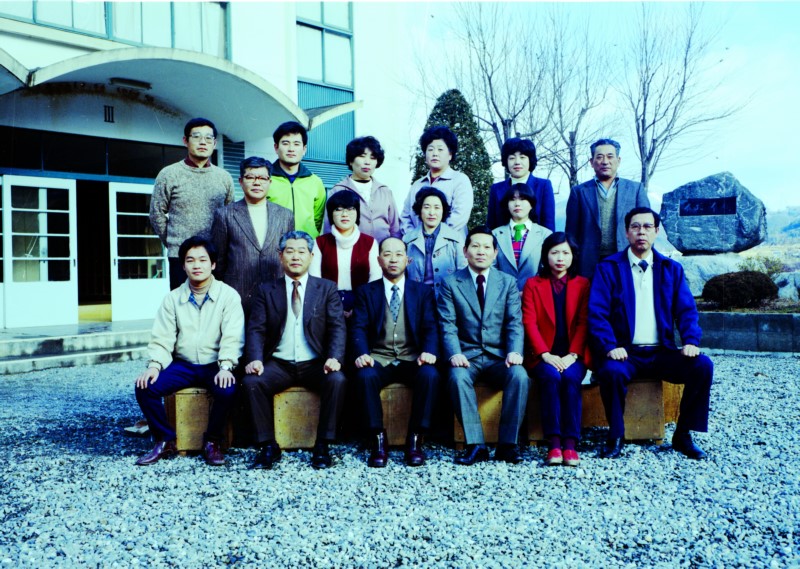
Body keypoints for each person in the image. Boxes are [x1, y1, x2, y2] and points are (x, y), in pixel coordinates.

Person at [588, 207, 713, 460]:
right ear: (626, 233)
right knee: (611, 372)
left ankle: (683, 434)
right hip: (625, 352)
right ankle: (616, 435)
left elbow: (686, 310)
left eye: (647, 227)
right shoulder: (608, 268)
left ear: (656, 232)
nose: (641, 232)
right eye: (635, 227)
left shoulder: (671, 269)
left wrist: (690, 340)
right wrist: (610, 346)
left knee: (702, 366)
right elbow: (597, 313)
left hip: (661, 352)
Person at [133, 236, 244, 467]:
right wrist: (154, 366)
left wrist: (226, 366)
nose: (197, 265)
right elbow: (162, 338)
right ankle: (166, 439)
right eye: (190, 260)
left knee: (228, 390)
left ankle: (212, 441)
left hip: (215, 364)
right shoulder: (173, 299)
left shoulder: (228, 296)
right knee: (145, 387)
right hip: (183, 365)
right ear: (183, 265)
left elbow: (233, 336)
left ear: (213, 264)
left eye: (203, 260)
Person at [242, 231, 347, 470]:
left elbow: (337, 327)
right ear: (280, 256)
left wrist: (334, 357)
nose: (296, 257)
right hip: (279, 364)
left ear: (311, 256)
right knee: (251, 382)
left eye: (301, 252)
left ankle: (323, 445)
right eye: (290, 251)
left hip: (315, 363)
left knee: (337, 379)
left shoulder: (326, 288)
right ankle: (268, 446)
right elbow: (256, 329)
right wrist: (255, 359)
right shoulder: (266, 290)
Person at [438, 227, 530, 465]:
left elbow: (514, 322)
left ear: (495, 253)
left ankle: (508, 444)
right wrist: (455, 354)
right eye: (475, 246)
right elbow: (448, 324)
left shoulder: (507, 282)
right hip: (467, 356)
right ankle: (476, 444)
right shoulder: (451, 283)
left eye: (487, 247)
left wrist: (514, 351)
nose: (481, 251)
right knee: (457, 377)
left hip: (499, 356)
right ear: (465, 251)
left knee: (519, 375)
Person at [350, 237, 441, 468]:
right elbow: (358, 327)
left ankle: (416, 440)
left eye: (399, 254)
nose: (393, 259)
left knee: (430, 375)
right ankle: (377, 440)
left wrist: (428, 351)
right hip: (379, 357)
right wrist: (361, 353)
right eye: (387, 254)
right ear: (379, 259)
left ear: (408, 260)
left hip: (412, 357)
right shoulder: (366, 292)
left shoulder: (422, 291)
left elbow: (431, 326)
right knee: (365, 376)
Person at [521, 232, 591, 467]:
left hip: (573, 355)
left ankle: (570, 443)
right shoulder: (533, 284)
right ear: (545, 256)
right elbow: (529, 322)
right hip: (542, 355)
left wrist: (573, 355)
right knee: (551, 377)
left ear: (573, 256)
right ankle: (553, 442)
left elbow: (583, 323)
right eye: (554, 252)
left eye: (565, 253)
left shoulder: (582, 284)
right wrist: (545, 354)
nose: (560, 258)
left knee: (570, 378)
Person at [150, 117, 235, 289]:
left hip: (214, 256)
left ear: (214, 143)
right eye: (196, 137)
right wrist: (173, 242)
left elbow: (230, 214)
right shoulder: (169, 174)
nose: (203, 142)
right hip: (181, 256)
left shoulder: (224, 177)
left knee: (214, 302)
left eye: (208, 138)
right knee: (183, 302)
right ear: (185, 141)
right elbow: (156, 213)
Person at [210, 156, 294, 314]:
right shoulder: (224, 214)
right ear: (241, 181)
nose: (257, 182)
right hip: (238, 294)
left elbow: (288, 256)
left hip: (276, 293)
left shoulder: (285, 215)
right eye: (250, 177)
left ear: (270, 182)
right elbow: (219, 260)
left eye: (262, 178)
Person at [565, 138, 650, 279]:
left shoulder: (635, 189)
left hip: (626, 258)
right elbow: (571, 233)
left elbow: (647, 227)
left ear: (618, 160)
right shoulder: (579, 192)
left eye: (610, 156)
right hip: (589, 263)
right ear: (591, 162)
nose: (605, 161)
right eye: (599, 157)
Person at [309, 191, 381, 317]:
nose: (344, 214)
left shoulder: (370, 243)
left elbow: (375, 279)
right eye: (338, 209)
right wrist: (332, 307)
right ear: (331, 214)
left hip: (362, 304)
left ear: (357, 213)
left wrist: (359, 307)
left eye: (350, 209)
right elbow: (315, 281)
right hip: (327, 304)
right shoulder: (319, 243)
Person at [399, 126, 473, 235]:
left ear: (450, 154)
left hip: (450, 243)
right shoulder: (417, 185)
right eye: (430, 149)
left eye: (440, 149)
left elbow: (459, 216)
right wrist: (414, 237)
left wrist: (433, 237)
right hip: (417, 244)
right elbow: (405, 217)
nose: (435, 153)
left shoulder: (460, 180)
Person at [324, 136, 400, 242]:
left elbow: (395, 228)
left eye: (372, 158)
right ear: (351, 161)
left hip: (382, 250)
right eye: (362, 156)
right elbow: (328, 228)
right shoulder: (338, 191)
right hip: (350, 250)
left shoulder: (385, 191)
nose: (367, 162)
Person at [403, 187, 466, 298]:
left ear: (443, 210)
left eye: (437, 207)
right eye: (427, 207)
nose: (432, 213)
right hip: (416, 299)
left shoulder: (456, 238)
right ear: (420, 210)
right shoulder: (407, 240)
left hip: (448, 298)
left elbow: (463, 272)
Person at [267, 121, 327, 237]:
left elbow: (318, 220)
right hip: (274, 244)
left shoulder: (315, 182)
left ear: (304, 149)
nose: (291, 149)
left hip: (306, 245)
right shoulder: (265, 180)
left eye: (296, 144)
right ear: (276, 147)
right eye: (285, 143)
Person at [492, 183, 553, 291]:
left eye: (522, 199)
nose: (517, 204)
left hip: (535, 294)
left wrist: (529, 292)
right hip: (502, 294)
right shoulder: (495, 234)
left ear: (531, 204)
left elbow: (547, 269)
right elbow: (491, 267)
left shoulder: (545, 234)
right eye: (512, 199)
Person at [487, 138, 555, 231]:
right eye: (512, 158)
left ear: (530, 160)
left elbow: (549, 225)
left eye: (522, 157)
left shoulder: (543, 186)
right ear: (506, 161)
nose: (517, 162)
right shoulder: (496, 189)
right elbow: (491, 225)